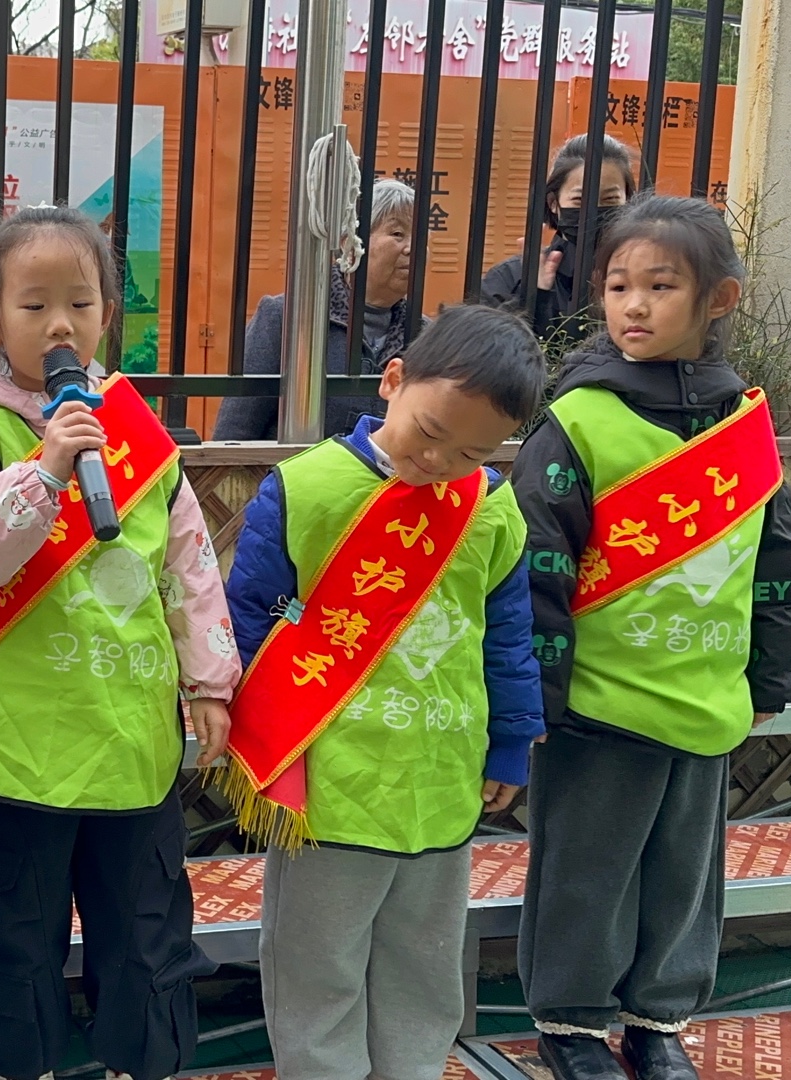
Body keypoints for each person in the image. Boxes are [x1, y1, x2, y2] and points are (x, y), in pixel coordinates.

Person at [0, 205, 241, 1080]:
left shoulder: (137, 435)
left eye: (80, 303)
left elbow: (190, 568)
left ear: (106, 314)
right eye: (34, 305)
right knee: (11, 940)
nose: (60, 324)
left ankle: (144, 1062)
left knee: (147, 941)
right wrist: (47, 469)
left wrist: (211, 683)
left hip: (131, 742)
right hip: (21, 745)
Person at [511, 195, 791, 1080]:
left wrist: (774, 673)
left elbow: (776, 556)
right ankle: (570, 1026)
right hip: (599, 705)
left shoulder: (741, 423)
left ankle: (658, 1019)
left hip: (706, 694)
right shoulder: (580, 420)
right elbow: (537, 566)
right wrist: (541, 696)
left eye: (660, 286)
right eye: (617, 286)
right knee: (588, 871)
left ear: (719, 299)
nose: (633, 305)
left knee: (684, 874)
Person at [223, 305, 548, 1080]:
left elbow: (507, 636)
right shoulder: (308, 487)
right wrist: (257, 732)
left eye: (471, 452)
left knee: (423, 963)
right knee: (317, 960)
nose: (439, 461)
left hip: (442, 773)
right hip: (332, 778)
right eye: (430, 432)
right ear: (393, 379)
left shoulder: (490, 509)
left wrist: (510, 742)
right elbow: (251, 616)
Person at [213, 177, 419, 441]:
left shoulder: (425, 335)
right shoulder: (289, 318)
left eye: (419, 236)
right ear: (349, 244)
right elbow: (235, 432)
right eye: (397, 234)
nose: (412, 248)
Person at [481, 134, 637, 344]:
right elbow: (484, 352)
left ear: (628, 200)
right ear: (553, 203)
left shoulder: (646, 276)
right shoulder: (511, 277)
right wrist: (533, 299)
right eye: (579, 200)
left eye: (610, 199)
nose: (593, 210)